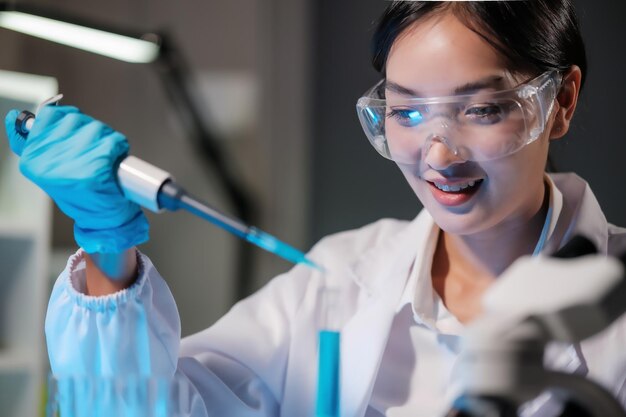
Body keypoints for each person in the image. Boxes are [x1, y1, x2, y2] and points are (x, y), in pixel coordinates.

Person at [4, 1, 626, 416]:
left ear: (561, 100)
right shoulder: (340, 279)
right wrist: (110, 245)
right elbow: (138, 407)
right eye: (407, 111)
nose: (437, 153)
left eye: (481, 109)